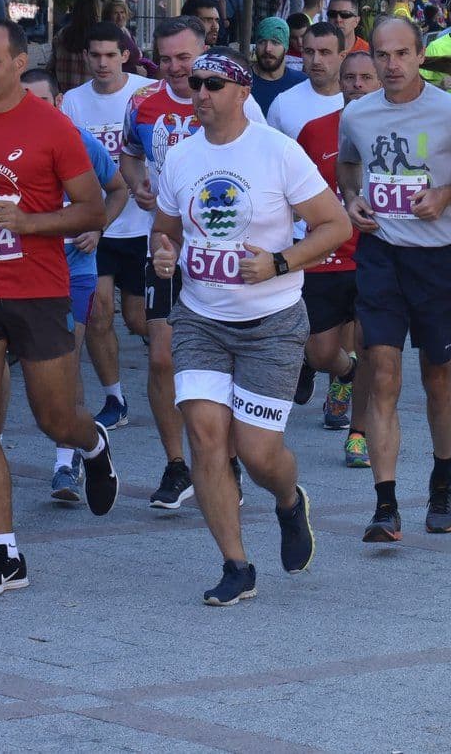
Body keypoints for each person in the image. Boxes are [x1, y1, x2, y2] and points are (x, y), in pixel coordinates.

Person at [0, 19, 121, 596]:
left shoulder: (54, 128)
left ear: (17, 63)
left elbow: (90, 210)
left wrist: (30, 222)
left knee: (53, 418)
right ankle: (5, 553)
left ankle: (92, 445)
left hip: (38, 291)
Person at [147, 51, 350, 603]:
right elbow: (164, 230)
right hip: (200, 319)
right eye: (195, 83)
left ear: (242, 93)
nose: (201, 93)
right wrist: (163, 254)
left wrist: (280, 261)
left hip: (272, 322)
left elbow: (335, 225)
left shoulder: (278, 152)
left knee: (258, 453)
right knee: (207, 439)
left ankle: (288, 501)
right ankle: (236, 566)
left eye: (213, 84)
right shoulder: (181, 157)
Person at [338, 16, 451, 543]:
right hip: (381, 256)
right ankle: (385, 507)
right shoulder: (357, 114)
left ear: (419, 56)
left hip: (437, 262)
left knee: (437, 375)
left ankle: (442, 479)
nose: (391, 66)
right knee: (383, 372)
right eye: (382, 56)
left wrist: (446, 195)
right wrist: (352, 199)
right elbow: (348, 166)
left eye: (401, 55)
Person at [121, 17, 265, 511]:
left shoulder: (239, 99)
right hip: (166, 247)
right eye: (165, 59)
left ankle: (224, 462)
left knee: (219, 363)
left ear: (205, 52)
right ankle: (176, 464)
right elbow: (130, 154)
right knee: (161, 357)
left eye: (185, 58)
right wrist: (139, 184)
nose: (177, 69)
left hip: (222, 251)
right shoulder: (141, 103)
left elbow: (262, 166)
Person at [19, 70, 128, 503]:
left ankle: (65, 465)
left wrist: (99, 230)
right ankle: (86, 440)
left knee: (68, 358)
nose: (34, 110)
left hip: (74, 268)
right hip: (22, 270)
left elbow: (117, 189)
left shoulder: (78, 139)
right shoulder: (7, 142)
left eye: (42, 102)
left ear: (58, 102)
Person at [58, 23, 154, 429]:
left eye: (109, 55)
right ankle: (115, 399)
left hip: (140, 225)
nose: (101, 63)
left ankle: (172, 368)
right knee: (97, 314)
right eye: (94, 55)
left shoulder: (144, 96)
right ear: (85, 58)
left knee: (136, 318)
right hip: (92, 229)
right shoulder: (73, 103)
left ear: (125, 56)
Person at [293, 50, 377, 467]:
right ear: (339, 84)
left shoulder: (397, 129)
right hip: (325, 258)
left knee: (371, 345)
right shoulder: (314, 131)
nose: (357, 85)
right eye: (350, 78)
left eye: (366, 78)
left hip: (377, 257)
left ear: (379, 82)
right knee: (320, 352)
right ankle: (344, 374)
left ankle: (358, 435)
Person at [249, 16, 306, 113]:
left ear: (286, 46)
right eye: (262, 42)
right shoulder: (243, 81)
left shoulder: (302, 83)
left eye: (275, 42)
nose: (267, 49)